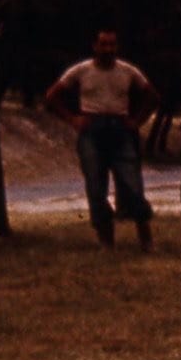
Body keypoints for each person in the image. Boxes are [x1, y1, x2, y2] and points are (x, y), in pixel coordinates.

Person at [45, 28, 160, 249]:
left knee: (132, 183)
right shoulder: (81, 70)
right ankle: (106, 240)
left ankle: (145, 237)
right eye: (103, 44)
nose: (108, 49)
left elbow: (152, 95)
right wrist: (72, 118)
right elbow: (52, 95)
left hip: (120, 129)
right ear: (95, 46)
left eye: (112, 45)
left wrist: (137, 121)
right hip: (92, 130)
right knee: (96, 186)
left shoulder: (127, 71)